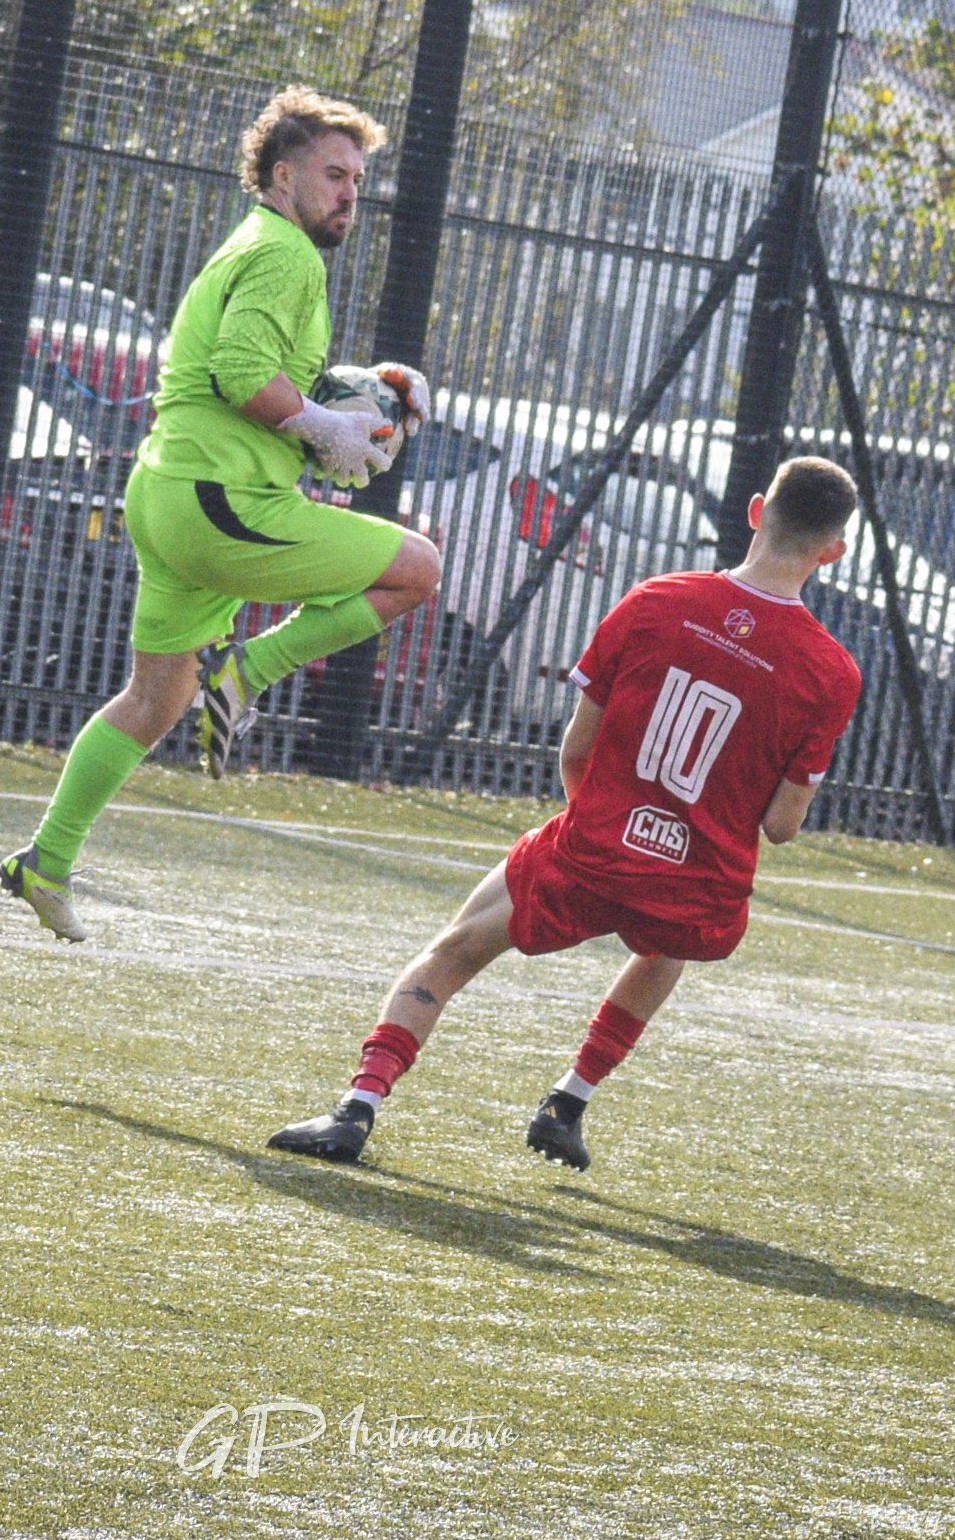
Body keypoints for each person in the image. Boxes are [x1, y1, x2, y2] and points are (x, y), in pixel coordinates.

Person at [266, 456, 865, 1169]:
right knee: (667, 937)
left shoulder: (655, 600)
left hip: (593, 850)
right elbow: (781, 826)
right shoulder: (833, 673)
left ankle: (357, 1108)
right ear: (834, 551)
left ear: (756, 510)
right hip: (698, 884)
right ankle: (568, 1101)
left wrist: (609, 831)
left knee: (454, 951)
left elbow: (576, 750)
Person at [0, 87, 445, 943]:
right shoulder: (287, 256)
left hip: (168, 494)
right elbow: (242, 373)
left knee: (156, 697)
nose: (351, 191)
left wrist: (363, 393)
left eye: (358, 178)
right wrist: (323, 426)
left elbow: (247, 368)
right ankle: (254, 672)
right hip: (220, 498)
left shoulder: (258, 244)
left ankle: (47, 861)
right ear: (283, 175)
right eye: (334, 173)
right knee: (418, 568)